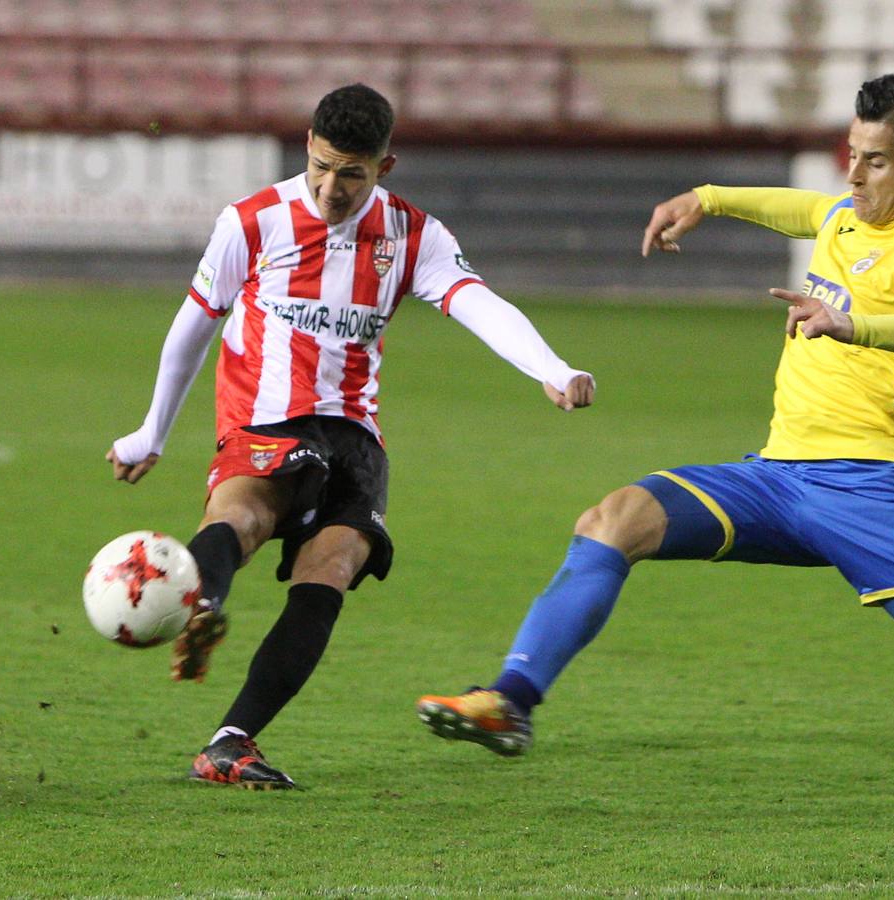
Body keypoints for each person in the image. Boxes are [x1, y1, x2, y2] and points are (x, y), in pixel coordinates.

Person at [415, 74, 894, 802]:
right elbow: (798, 208)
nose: (855, 174)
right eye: (851, 153)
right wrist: (706, 199)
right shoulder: (846, 216)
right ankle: (510, 701)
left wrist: (855, 323)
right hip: (778, 477)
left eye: (875, 161)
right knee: (612, 521)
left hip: (873, 488)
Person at [106, 83, 594, 789]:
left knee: (330, 571)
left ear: (384, 168)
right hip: (265, 417)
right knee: (243, 514)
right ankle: (202, 604)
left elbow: (477, 304)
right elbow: (194, 323)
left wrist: (551, 367)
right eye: (323, 168)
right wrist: (152, 431)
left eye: (352, 174)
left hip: (354, 437)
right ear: (307, 146)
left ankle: (230, 742)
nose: (333, 189)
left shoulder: (414, 235)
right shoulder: (253, 221)